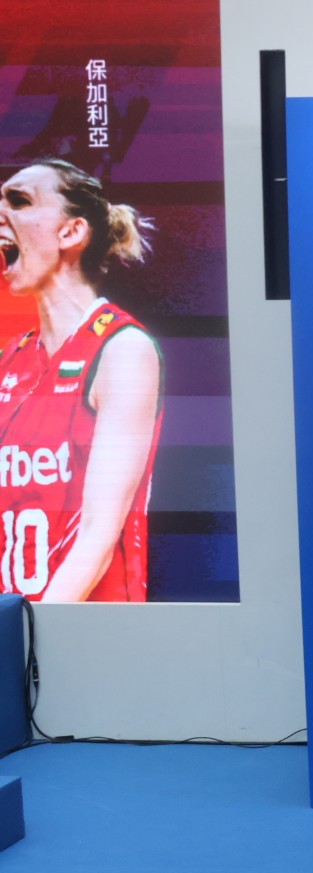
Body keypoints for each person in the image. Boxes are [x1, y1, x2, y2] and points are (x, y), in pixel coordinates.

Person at [0, 158, 161, 601]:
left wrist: (34, 631)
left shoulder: (122, 349)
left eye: (19, 201)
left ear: (71, 232)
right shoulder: (10, 360)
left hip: (83, 628)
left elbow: (97, 534)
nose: (2, 212)